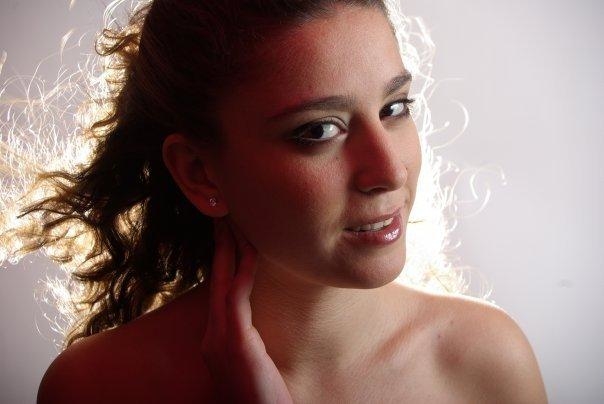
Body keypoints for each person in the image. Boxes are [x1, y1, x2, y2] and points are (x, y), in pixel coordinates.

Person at [0, 0, 546, 402]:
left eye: (394, 108)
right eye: (318, 131)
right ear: (199, 172)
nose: (389, 171)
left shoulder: (486, 362)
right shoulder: (98, 388)